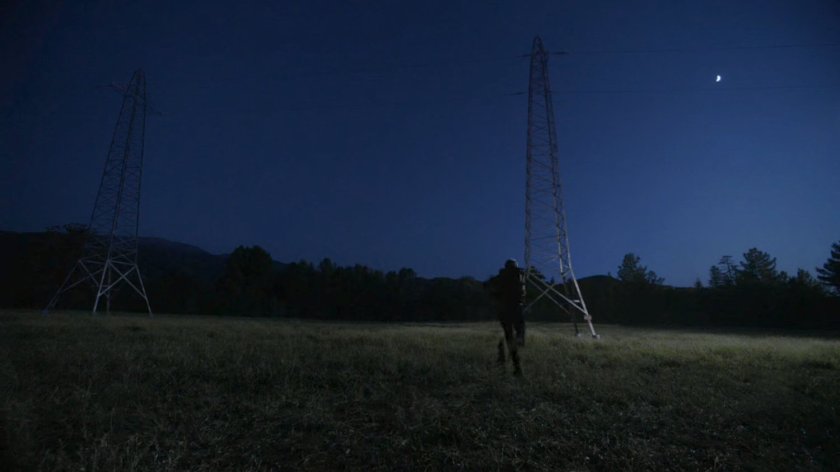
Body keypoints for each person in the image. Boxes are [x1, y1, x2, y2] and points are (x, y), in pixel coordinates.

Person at [488, 258, 526, 376]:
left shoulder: (500, 276)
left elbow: (491, 289)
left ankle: (514, 361)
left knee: (508, 335)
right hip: (516, 307)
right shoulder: (520, 273)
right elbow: (523, 290)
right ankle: (520, 339)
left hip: (504, 310)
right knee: (520, 327)